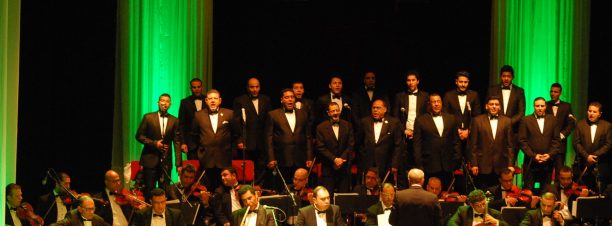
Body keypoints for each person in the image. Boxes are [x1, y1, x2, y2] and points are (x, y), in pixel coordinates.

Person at [135, 93, 183, 199]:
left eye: (167, 101)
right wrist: (154, 143)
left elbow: (177, 142)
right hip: (149, 159)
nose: (164, 103)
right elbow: (139, 136)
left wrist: (178, 164)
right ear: (158, 102)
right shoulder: (148, 117)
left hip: (166, 161)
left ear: (170, 104)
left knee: (164, 191)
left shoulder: (174, 120)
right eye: (162, 100)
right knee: (149, 190)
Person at [265, 88, 314, 191]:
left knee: (300, 188)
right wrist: (271, 158)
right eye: (287, 97)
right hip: (282, 157)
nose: (290, 100)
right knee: (283, 188)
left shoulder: (303, 114)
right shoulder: (273, 115)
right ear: (282, 100)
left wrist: (309, 157)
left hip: (300, 157)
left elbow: (308, 137)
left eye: (292, 97)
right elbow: (269, 137)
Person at [193, 89, 240, 190]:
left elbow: (236, 134)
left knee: (224, 189)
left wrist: (231, 151)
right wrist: (200, 152)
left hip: (224, 158)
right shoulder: (198, 115)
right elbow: (194, 135)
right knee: (206, 189)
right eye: (210, 98)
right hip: (206, 159)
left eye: (215, 98)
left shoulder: (229, 113)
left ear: (220, 100)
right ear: (206, 101)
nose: (213, 101)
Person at [413, 93, 462, 188]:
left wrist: (456, 159)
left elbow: (456, 141)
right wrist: (419, 164)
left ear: (441, 103)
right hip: (429, 165)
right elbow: (417, 145)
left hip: (448, 165)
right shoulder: (420, 120)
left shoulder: (451, 118)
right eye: (433, 102)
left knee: (446, 193)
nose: (436, 104)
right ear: (429, 104)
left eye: (438, 101)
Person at [233, 77, 272, 186]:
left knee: (261, 167)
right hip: (247, 141)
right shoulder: (240, 100)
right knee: (247, 168)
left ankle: (258, 189)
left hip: (262, 141)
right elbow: (236, 122)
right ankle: (246, 189)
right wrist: (239, 139)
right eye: (252, 87)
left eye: (257, 87)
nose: (255, 89)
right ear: (247, 88)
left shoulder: (266, 99)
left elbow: (269, 121)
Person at [392, 70, 429, 187]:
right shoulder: (399, 96)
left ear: (418, 81)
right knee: (403, 166)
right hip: (404, 136)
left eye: (413, 80)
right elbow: (395, 118)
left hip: (420, 137)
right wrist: (404, 130)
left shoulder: (425, 96)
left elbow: (426, 117)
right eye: (409, 80)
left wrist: (417, 132)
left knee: (419, 164)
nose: (411, 82)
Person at [469, 96, 514, 189]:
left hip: (501, 165)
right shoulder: (477, 121)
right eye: (491, 104)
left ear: (500, 107)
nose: (494, 106)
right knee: (483, 193)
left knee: (499, 194)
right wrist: (474, 164)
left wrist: (510, 164)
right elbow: (473, 144)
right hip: (482, 165)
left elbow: (510, 145)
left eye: (496, 104)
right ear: (486, 106)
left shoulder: (507, 121)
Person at [443, 71, 482, 176]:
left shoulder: (474, 95)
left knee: (470, 164)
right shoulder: (448, 95)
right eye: (461, 82)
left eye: (465, 82)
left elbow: (477, 116)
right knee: (454, 163)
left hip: (470, 136)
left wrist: (468, 131)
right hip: (453, 136)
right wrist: (457, 130)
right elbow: (446, 116)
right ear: (456, 82)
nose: (463, 84)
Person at [519, 97, 561, 191]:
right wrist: (534, 156)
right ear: (534, 107)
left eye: (542, 106)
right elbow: (522, 141)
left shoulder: (553, 120)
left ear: (545, 106)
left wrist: (549, 155)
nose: (540, 108)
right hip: (530, 162)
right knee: (528, 192)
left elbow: (556, 140)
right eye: (537, 106)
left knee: (545, 192)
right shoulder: (525, 120)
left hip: (547, 163)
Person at [357, 99, 403, 185]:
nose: (375, 110)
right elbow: (359, 142)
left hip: (386, 163)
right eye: (373, 108)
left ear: (385, 109)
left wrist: (395, 164)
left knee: (385, 188)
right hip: (368, 162)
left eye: (378, 108)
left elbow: (398, 145)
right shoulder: (365, 122)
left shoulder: (394, 123)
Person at [316, 102, 355, 194]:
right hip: (328, 168)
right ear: (328, 113)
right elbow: (321, 147)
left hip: (344, 168)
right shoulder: (321, 127)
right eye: (333, 111)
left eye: (337, 110)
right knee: (327, 196)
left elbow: (351, 144)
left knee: (343, 197)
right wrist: (334, 159)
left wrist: (341, 159)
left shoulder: (348, 125)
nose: (335, 113)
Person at [573, 101, 611, 193]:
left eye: (594, 112)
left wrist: (593, 156)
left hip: (600, 165)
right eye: (590, 111)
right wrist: (587, 156)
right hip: (583, 164)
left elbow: (608, 144)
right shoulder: (580, 124)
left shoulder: (607, 126)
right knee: (583, 192)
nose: (591, 114)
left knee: (600, 192)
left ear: (600, 114)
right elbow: (576, 143)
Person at [486, 65, 526, 135]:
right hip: (494, 127)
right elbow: (487, 108)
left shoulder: (519, 91)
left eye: (509, 76)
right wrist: (500, 122)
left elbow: (521, 112)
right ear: (500, 77)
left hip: (513, 129)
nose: (506, 78)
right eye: (504, 76)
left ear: (513, 77)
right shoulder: (492, 90)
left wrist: (508, 122)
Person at [546, 83, 576, 171]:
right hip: (547, 144)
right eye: (551, 91)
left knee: (559, 171)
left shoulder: (567, 106)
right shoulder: (545, 105)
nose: (553, 94)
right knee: (547, 171)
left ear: (560, 93)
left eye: (555, 92)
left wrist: (562, 135)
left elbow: (571, 124)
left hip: (561, 145)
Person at [178, 78, 205, 161]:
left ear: (202, 87)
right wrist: (183, 142)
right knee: (192, 168)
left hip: (206, 142)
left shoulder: (208, 100)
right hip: (191, 143)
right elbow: (181, 124)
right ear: (190, 89)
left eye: (198, 87)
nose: (196, 89)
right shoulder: (185, 102)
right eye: (194, 87)